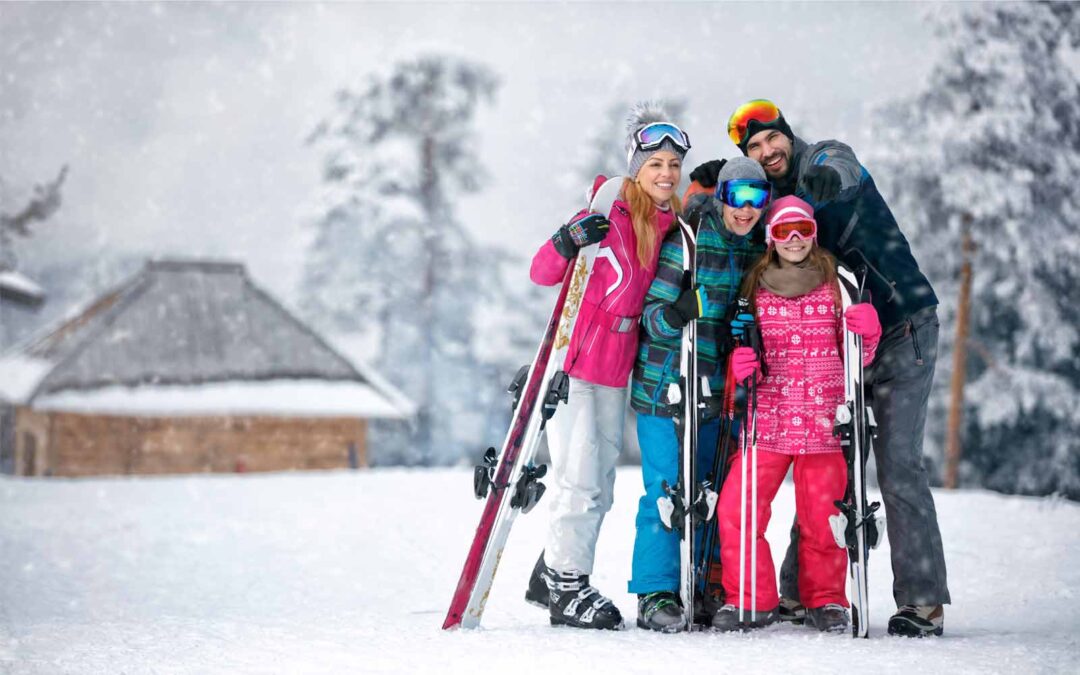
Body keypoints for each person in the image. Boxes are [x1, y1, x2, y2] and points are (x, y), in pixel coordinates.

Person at [690, 99, 949, 637]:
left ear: (788, 134)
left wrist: (830, 175)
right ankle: (802, 593)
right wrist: (708, 187)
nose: (767, 152)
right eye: (754, 149)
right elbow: (735, 214)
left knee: (898, 464)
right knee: (824, 472)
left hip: (900, 327)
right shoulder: (780, 202)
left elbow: (844, 164)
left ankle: (921, 601)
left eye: (771, 140)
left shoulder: (820, 163)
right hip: (839, 347)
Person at [524, 104, 690, 630]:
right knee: (578, 477)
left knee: (601, 482)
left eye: (673, 164)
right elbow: (542, 272)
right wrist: (566, 240)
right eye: (655, 163)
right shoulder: (609, 209)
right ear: (636, 166)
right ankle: (567, 585)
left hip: (617, 370)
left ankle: (551, 570)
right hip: (575, 362)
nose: (666, 173)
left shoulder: (669, 225)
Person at [710, 195, 881, 632]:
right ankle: (750, 598)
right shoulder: (754, 285)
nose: (794, 239)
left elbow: (857, 357)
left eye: (802, 230)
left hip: (825, 418)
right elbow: (738, 342)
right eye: (784, 231)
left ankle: (826, 600)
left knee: (823, 518)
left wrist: (870, 335)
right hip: (767, 416)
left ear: (813, 234)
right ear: (771, 237)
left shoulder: (836, 281)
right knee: (737, 509)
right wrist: (738, 365)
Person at [627, 156, 770, 632]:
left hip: (717, 391)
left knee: (708, 489)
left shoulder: (757, 250)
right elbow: (650, 316)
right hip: (664, 387)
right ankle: (655, 591)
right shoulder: (687, 244)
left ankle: (701, 583)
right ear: (722, 197)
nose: (745, 209)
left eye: (756, 199)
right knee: (666, 491)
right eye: (736, 197)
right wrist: (678, 313)